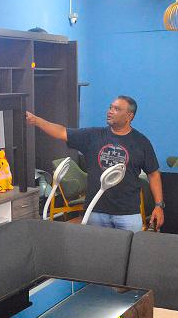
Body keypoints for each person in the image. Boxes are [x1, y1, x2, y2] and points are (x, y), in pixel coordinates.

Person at [27, 95, 164, 232]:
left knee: (130, 252)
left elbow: (153, 174)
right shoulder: (93, 136)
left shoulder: (141, 142)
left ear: (129, 116)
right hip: (95, 211)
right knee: (97, 252)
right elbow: (62, 132)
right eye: (110, 107)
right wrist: (36, 121)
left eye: (116, 109)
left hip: (127, 213)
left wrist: (159, 205)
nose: (110, 111)